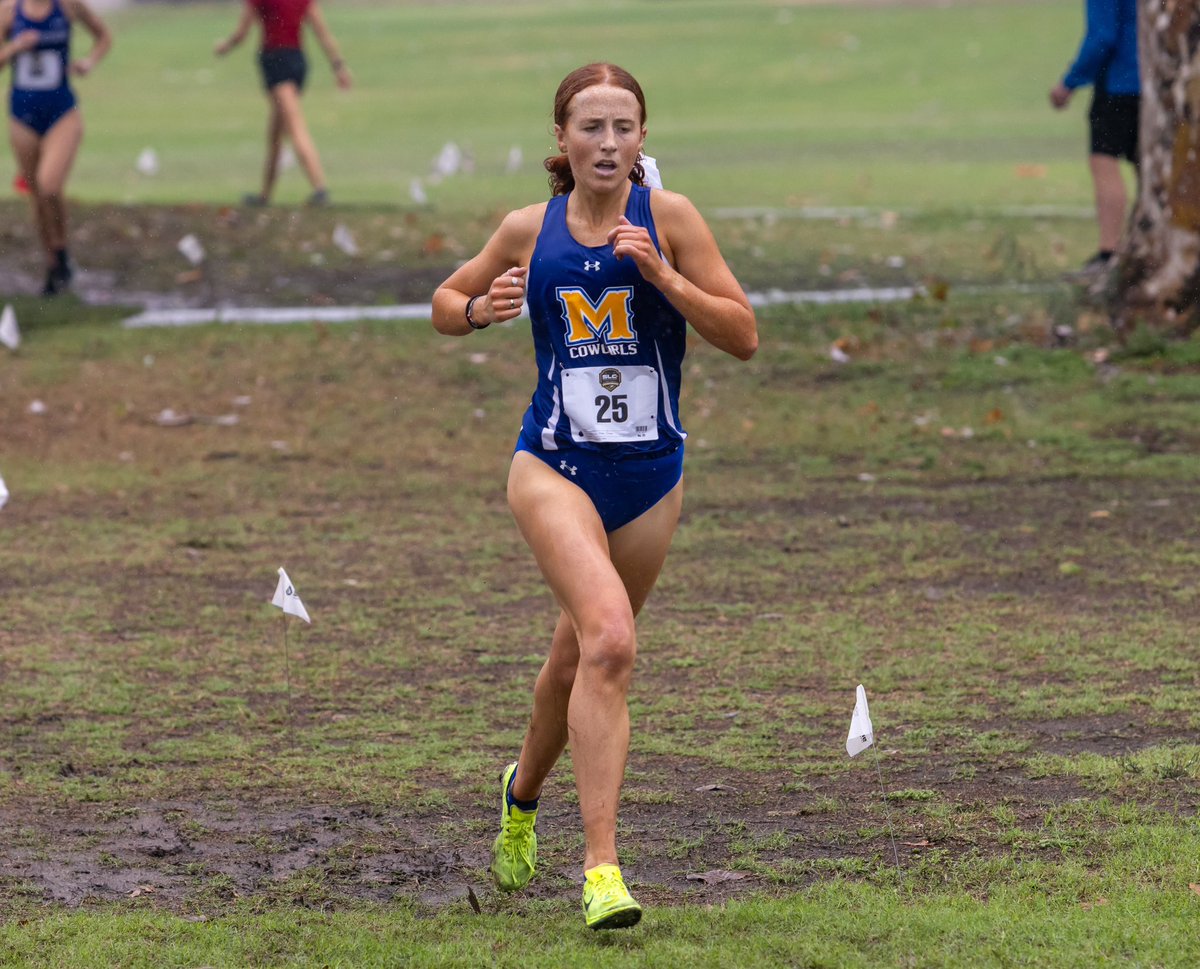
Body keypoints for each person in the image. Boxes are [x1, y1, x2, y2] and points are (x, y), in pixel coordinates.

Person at [432, 63, 757, 931]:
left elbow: (743, 334)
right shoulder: (528, 228)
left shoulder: (671, 219)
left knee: (578, 659)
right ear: (562, 139)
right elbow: (444, 300)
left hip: (650, 477)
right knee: (611, 639)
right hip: (553, 467)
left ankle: (520, 792)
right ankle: (602, 870)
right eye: (590, 127)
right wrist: (481, 310)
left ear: (643, 138)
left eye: (623, 127)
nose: (607, 143)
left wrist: (665, 277)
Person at [1, 0, 110, 296]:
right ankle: (53, 264)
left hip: (62, 111)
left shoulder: (68, 6)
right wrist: (14, 48)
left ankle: (61, 251)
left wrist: (89, 62)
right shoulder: (9, 11)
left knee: (50, 185)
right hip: (22, 115)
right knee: (37, 196)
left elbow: (103, 36)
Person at [215, 0, 350, 207]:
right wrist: (338, 66)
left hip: (276, 61)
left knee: (295, 126)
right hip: (297, 61)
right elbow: (321, 31)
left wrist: (225, 46)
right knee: (275, 133)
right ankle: (265, 195)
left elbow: (242, 33)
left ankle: (320, 189)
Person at [1049, 0, 1140, 277]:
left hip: (1119, 83)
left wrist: (1069, 82)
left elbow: (1103, 36)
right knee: (1148, 167)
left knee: (1104, 162)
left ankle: (1109, 253)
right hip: (1158, 84)